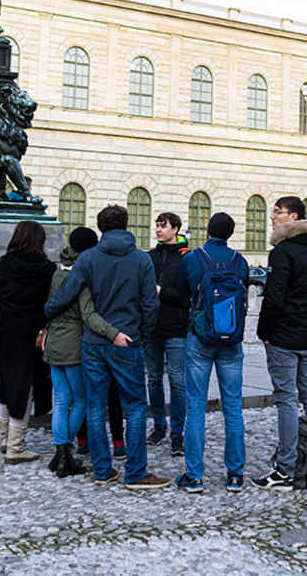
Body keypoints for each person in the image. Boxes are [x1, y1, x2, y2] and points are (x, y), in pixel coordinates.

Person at [45, 204, 167, 490]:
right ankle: (135, 473)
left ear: (101, 228)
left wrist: (48, 308)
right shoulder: (141, 259)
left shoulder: (88, 258)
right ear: (127, 225)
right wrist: (143, 335)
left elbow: (67, 293)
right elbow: (151, 303)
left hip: (92, 343)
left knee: (96, 406)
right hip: (127, 340)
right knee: (135, 406)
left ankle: (102, 469)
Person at [254, 196, 307, 491]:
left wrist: (265, 331)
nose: (272, 216)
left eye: (278, 212)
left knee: (286, 399)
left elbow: (273, 298)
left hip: (284, 337)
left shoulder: (282, 253)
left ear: (294, 217)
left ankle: (286, 469)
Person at [175, 212, 251, 493]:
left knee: (195, 406)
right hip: (231, 340)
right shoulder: (239, 261)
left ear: (207, 231)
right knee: (233, 408)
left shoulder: (191, 259)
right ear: (230, 234)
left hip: (199, 338)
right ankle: (235, 474)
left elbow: (184, 298)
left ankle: (194, 475)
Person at [43, 226, 120, 478]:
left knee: (61, 400)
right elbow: (88, 315)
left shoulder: (57, 272)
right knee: (81, 401)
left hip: (54, 342)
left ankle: (60, 453)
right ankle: (65, 453)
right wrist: (112, 333)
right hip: (74, 344)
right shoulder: (84, 275)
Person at [0, 220, 56, 464]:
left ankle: (6, 439)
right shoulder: (47, 268)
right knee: (25, 386)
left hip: (6, 329)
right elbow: (51, 302)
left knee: (6, 382)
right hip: (33, 333)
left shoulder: (5, 263)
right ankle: (16, 447)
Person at [145, 211, 189, 456]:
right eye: (157, 226)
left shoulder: (186, 258)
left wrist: (163, 292)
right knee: (153, 379)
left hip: (175, 328)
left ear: (175, 229)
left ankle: (177, 434)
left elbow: (188, 297)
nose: (159, 230)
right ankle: (159, 426)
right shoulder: (150, 257)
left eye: (163, 226)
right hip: (152, 327)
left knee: (177, 381)